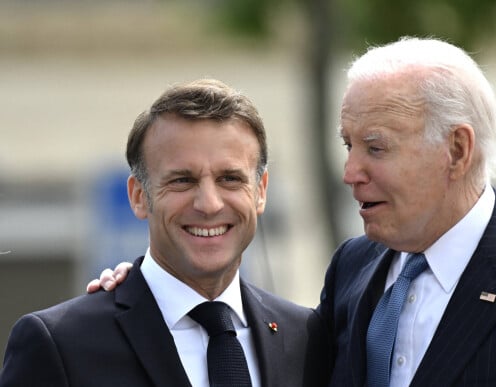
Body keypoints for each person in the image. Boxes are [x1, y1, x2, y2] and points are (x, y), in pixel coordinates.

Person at [88, 37, 496, 386]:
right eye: (348, 145)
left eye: (375, 147)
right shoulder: (353, 268)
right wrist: (147, 290)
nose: (350, 171)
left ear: (455, 150)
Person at [0, 79, 331, 387]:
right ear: (139, 196)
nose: (209, 204)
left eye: (230, 178)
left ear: (260, 191)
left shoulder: (306, 338)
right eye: (182, 180)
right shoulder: (62, 344)